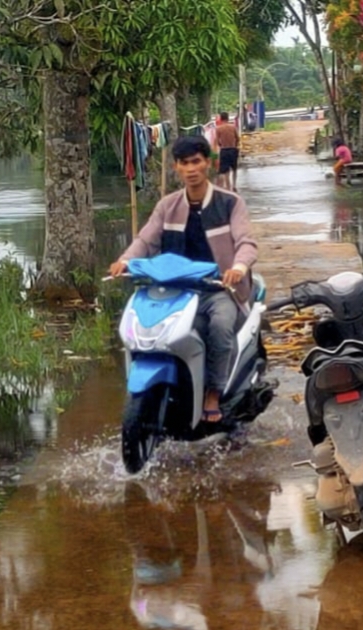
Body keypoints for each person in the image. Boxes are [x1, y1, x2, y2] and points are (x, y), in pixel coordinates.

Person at [108, 135, 258, 423]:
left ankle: (213, 390)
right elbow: (146, 240)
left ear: (208, 163)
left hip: (217, 288)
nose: (191, 169)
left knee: (220, 325)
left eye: (196, 162)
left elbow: (246, 243)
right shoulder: (168, 205)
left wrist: (238, 267)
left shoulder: (230, 202)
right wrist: (125, 261)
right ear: (176, 167)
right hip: (173, 289)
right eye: (184, 163)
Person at [213, 111, 240, 191]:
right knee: (234, 168)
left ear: (221, 119)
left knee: (225, 170)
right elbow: (237, 138)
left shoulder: (218, 129)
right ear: (228, 118)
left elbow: (218, 141)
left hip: (224, 150)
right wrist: (235, 145)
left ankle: (228, 186)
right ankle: (234, 185)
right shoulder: (233, 127)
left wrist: (220, 146)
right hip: (233, 149)